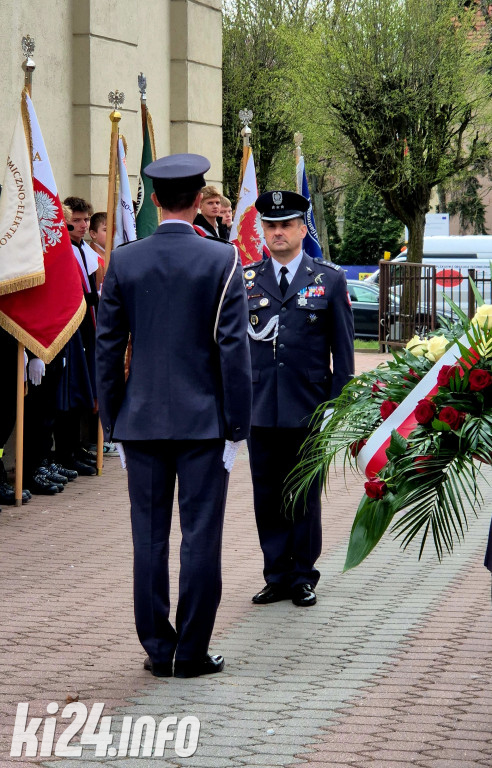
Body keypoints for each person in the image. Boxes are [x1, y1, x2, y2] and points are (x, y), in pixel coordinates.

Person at [96, 153, 252, 678]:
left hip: (139, 423)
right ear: (197, 199)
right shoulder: (222, 260)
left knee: (149, 537)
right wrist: (237, 427)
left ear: (156, 200)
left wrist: (114, 422)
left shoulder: (124, 259)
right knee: (201, 536)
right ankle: (191, 652)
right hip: (204, 422)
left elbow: (108, 348)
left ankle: (157, 650)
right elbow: (234, 350)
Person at [246, 190, 354, 607]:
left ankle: (303, 575)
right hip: (260, 408)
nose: (277, 232)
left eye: (286, 224)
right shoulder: (246, 280)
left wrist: (336, 408)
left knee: (304, 495)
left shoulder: (328, 279)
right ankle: (276, 573)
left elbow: (343, 356)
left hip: (310, 409)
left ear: (301, 228)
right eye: (270, 226)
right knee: (266, 493)